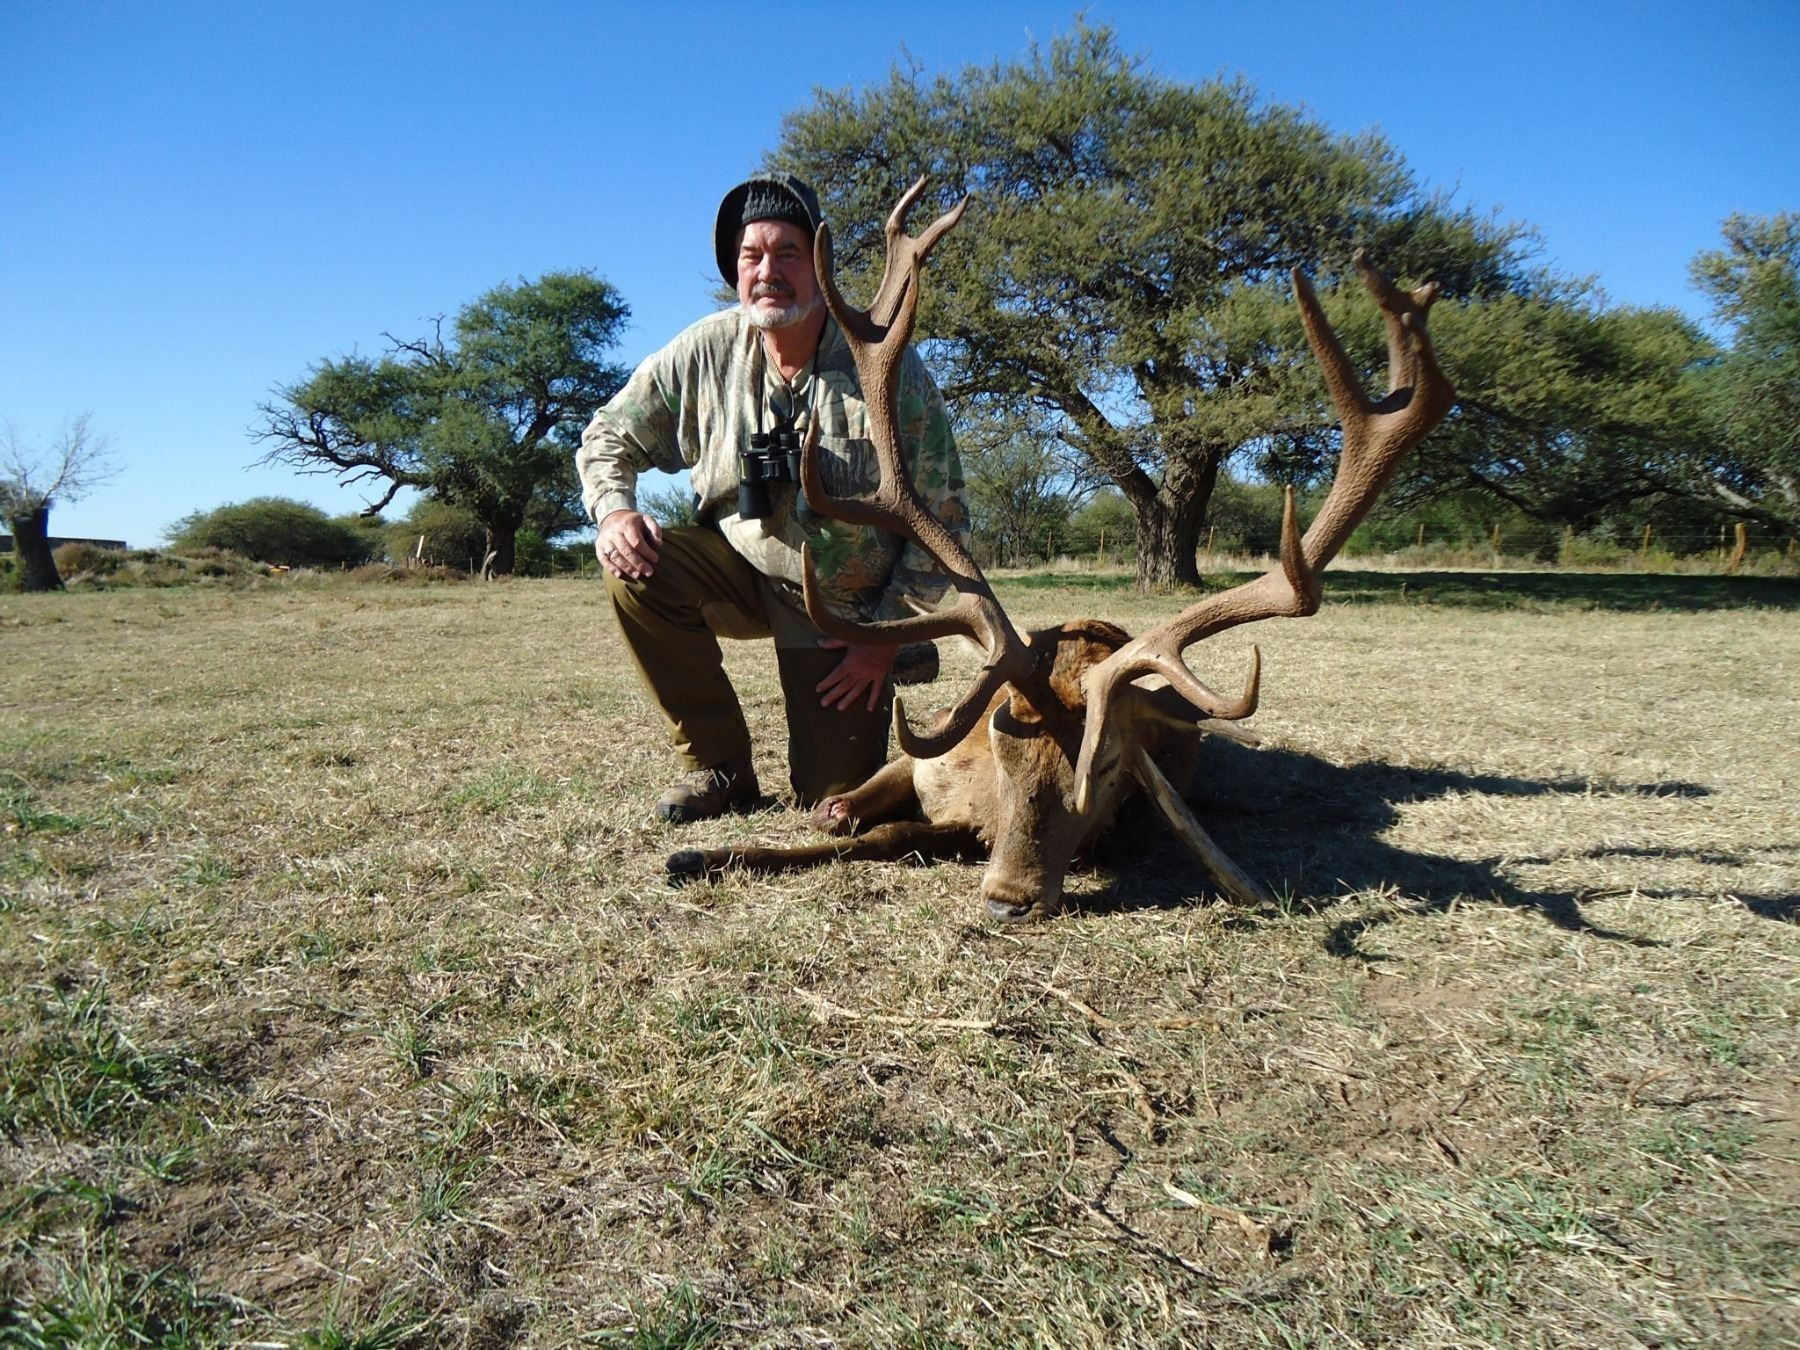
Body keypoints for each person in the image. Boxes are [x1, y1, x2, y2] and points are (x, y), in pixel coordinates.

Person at [576, 173, 970, 823]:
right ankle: (719, 767)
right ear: (735, 270)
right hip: (736, 565)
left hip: (843, 611)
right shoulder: (705, 349)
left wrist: (885, 631)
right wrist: (614, 510)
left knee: (836, 799)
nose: (768, 272)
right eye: (751, 255)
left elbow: (945, 516)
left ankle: (903, 654)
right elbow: (607, 434)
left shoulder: (886, 361)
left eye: (788, 253)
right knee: (636, 571)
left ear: (819, 264)